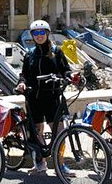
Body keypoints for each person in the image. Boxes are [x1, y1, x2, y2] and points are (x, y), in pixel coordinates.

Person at [16, 19, 72, 175]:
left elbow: (65, 70)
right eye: (35, 33)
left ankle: (60, 165)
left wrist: (71, 76)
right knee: (36, 131)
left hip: (53, 96)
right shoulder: (30, 54)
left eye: (42, 33)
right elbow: (24, 75)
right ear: (32, 36)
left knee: (60, 131)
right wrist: (22, 83)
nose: (39, 36)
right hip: (34, 98)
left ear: (47, 34)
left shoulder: (56, 51)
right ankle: (41, 163)